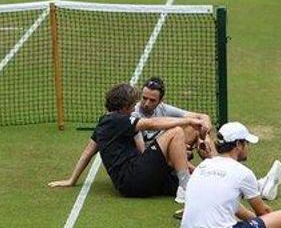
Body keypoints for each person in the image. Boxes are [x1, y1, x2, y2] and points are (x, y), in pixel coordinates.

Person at [133, 76, 281, 202]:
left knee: (195, 127)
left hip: (171, 156)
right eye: (144, 98)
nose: (146, 103)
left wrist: (204, 132)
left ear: (161, 100)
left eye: (152, 100)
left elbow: (202, 117)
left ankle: (224, 169)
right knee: (205, 179)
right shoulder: (134, 116)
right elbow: (143, 153)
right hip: (153, 162)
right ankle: (254, 185)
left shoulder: (162, 109)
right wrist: (178, 152)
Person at [47, 83, 209, 198]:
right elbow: (151, 123)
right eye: (132, 105)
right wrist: (187, 121)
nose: (134, 108)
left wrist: (71, 180)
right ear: (124, 106)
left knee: (200, 187)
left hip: (129, 185)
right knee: (176, 132)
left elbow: (87, 153)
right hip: (135, 177)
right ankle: (184, 188)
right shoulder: (120, 120)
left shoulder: (104, 123)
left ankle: (188, 184)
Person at [181, 122, 281, 228]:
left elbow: (234, 206)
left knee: (249, 218)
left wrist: (257, 222)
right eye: (246, 143)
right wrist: (273, 225)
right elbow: (263, 212)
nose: (248, 147)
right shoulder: (243, 172)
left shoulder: (203, 166)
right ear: (238, 145)